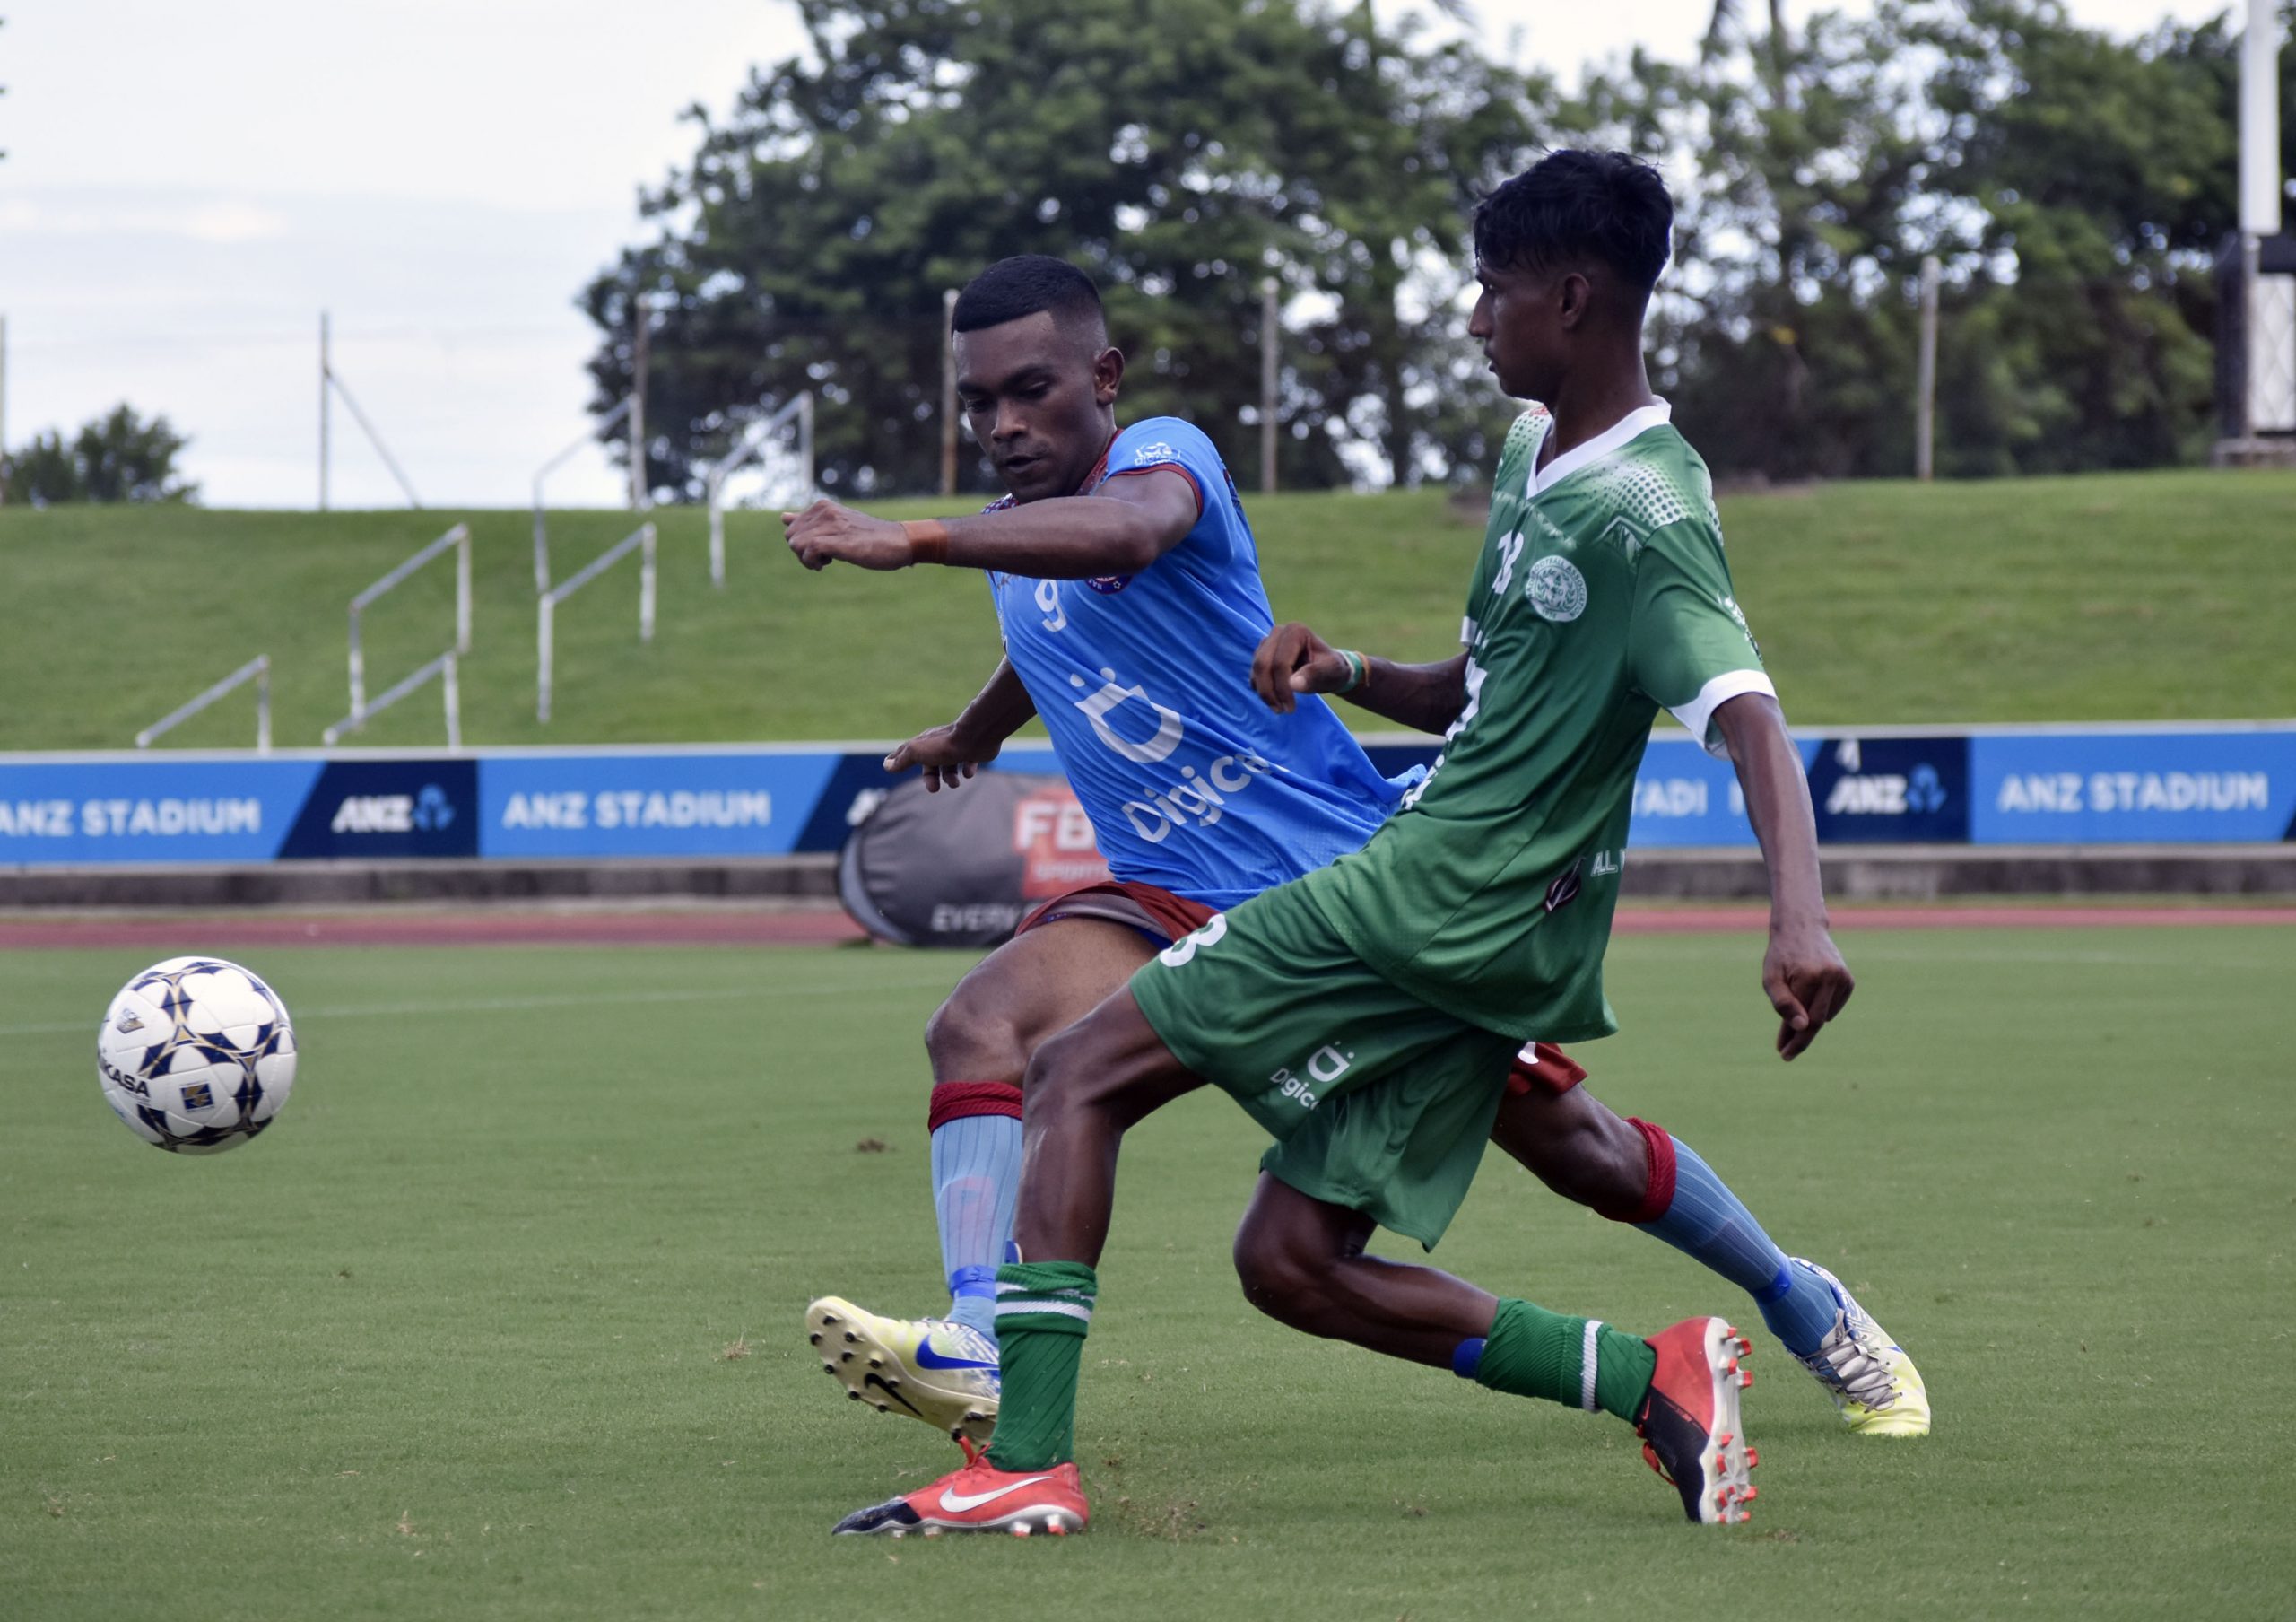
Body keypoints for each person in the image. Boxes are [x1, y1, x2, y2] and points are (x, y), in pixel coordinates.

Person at [826, 152, 1919, 1539]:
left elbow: (1747, 708)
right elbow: (1473, 681)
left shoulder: (1170, 465)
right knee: (1011, 1043)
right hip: (1187, 890)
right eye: (976, 401)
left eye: (1027, 391)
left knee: (1563, 1141)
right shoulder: (1530, 452)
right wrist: (991, 727)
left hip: (1362, 880)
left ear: (1103, 381)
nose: (999, 421)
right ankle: (992, 1361)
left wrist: (1801, 914)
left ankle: (1792, 1301)